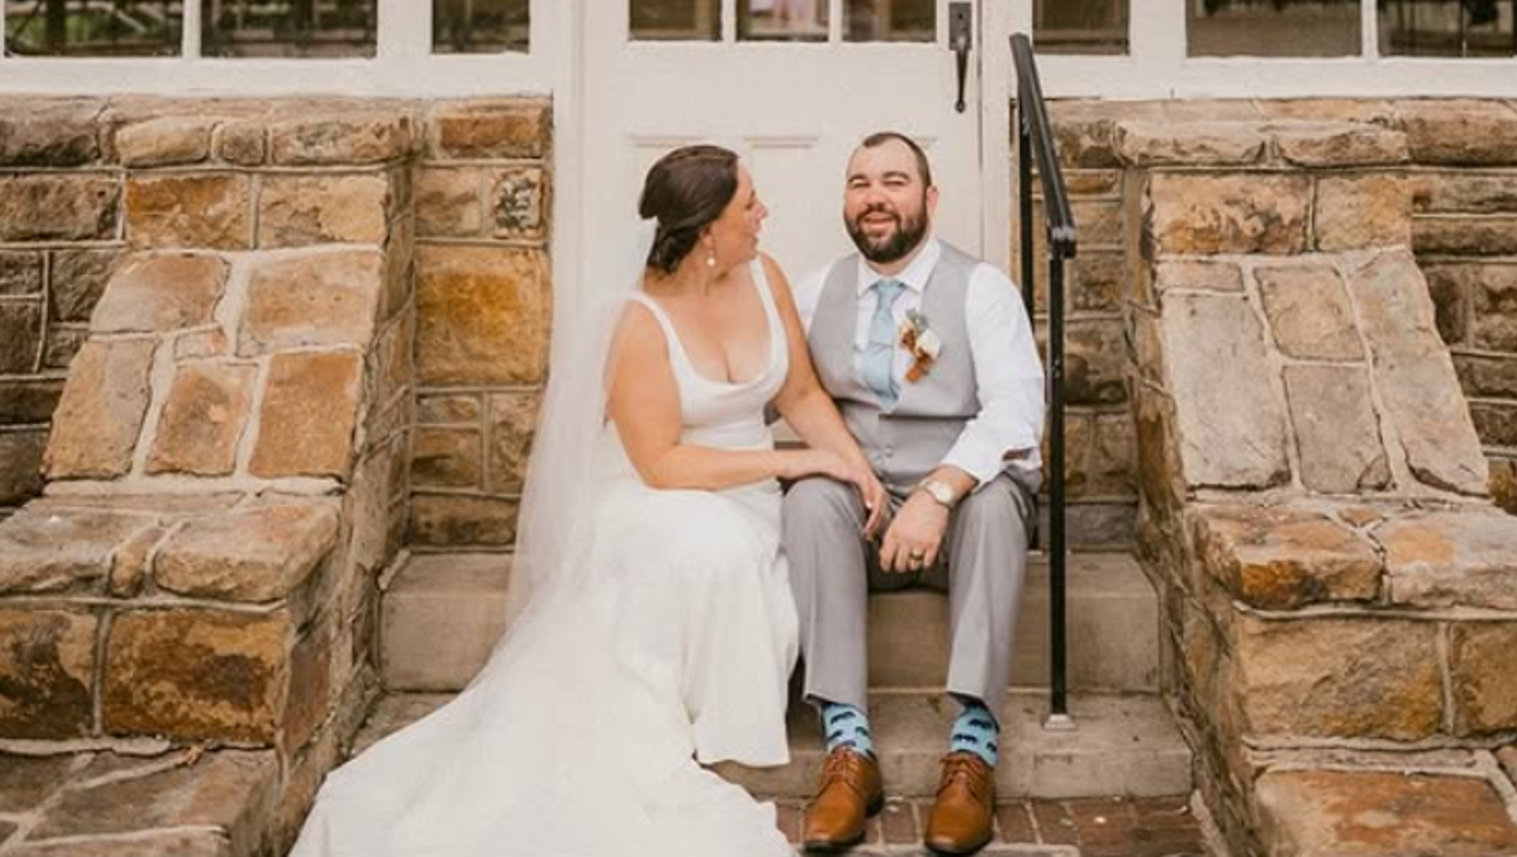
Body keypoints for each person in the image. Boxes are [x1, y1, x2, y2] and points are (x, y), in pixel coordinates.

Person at [291, 143, 884, 857]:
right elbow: (663, 463)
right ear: (705, 234)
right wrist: (795, 463)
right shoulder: (636, 320)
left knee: (749, 544)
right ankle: (674, 718)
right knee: (708, 548)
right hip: (650, 489)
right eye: (749, 205)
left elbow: (799, 392)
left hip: (743, 488)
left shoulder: (767, 277)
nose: (765, 215)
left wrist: (853, 466)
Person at [786, 132, 1045, 857]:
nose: (875, 197)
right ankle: (848, 749)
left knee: (998, 499)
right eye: (860, 181)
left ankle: (971, 749)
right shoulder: (814, 291)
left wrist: (938, 492)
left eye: (894, 180)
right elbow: (773, 395)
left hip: (958, 521)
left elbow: (1017, 416)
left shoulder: (981, 289)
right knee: (807, 499)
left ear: (929, 199)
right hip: (862, 516)